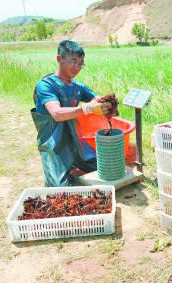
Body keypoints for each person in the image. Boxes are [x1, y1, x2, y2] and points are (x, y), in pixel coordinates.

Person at [31, 40, 113, 187]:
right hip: (54, 144)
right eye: (74, 62)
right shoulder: (46, 85)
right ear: (59, 59)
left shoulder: (78, 86)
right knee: (59, 190)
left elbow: (96, 99)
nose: (77, 67)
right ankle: (62, 169)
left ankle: (73, 164)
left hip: (76, 141)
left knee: (107, 169)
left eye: (81, 63)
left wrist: (106, 103)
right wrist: (87, 108)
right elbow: (56, 113)